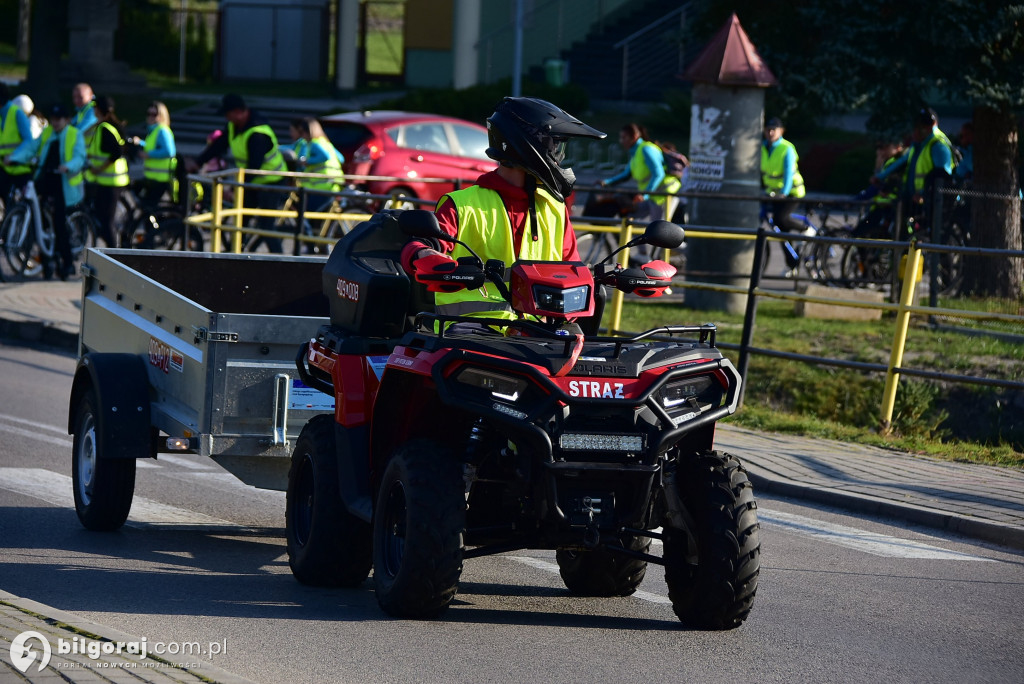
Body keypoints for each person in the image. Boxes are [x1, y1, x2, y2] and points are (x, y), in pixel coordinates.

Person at [401, 96, 605, 324]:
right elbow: (419, 246)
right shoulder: (461, 204)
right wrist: (426, 255)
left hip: (540, 336)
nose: (560, 158)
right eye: (557, 147)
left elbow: (574, 270)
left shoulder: (555, 208)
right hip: (471, 336)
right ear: (529, 146)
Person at [188, 93, 288, 252]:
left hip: (271, 182)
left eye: (228, 114)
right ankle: (237, 254)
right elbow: (217, 146)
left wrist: (234, 189)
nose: (227, 118)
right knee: (241, 221)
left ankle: (281, 261)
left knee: (266, 226)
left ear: (239, 112)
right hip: (251, 181)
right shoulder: (234, 127)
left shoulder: (258, 133)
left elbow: (253, 166)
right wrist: (198, 162)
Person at [9, 103, 88, 280]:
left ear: (67, 120)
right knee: (39, 219)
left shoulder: (74, 135)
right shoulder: (47, 133)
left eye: (59, 119)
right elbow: (31, 148)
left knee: (59, 223)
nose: (56, 123)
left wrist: (68, 166)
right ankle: (47, 261)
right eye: (53, 119)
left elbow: (79, 157)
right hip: (45, 180)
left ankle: (67, 264)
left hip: (64, 184)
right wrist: (14, 158)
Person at [871, 107, 954, 232]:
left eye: (920, 127)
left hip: (929, 202)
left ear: (931, 126)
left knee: (922, 235)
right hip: (913, 198)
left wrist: (924, 194)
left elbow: (942, 175)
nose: (915, 131)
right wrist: (880, 177)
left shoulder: (938, 144)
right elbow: (901, 162)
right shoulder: (919, 144)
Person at [599, 122, 681, 226]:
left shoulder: (646, 149)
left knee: (659, 232)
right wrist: (605, 183)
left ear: (634, 136)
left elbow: (658, 174)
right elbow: (626, 174)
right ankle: (636, 242)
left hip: (664, 194)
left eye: (624, 137)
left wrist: (645, 194)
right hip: (652, 195)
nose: (621, 141)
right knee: (629, 222)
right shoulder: (636, 152)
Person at [760, 116, 807, 274]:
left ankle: (806, 229)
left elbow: (788, 173)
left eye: (774, 129)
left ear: (781, 131)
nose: (770, 132)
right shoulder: (763, 147)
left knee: (781, 218)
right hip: (773, 193)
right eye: (768, 129)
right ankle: (792, 264)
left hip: (792, 192)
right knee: (781, 231)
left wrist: (784, 193)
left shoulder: (787, 148)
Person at [86, 96, 130, 247]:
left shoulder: (105, 128)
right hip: (108, 182)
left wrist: (99, 169)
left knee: (106, 222)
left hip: (111, 182)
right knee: (102, 219)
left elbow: (116, 153)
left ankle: (114, 256)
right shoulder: (108, 125)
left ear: (98, 109)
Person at [130, 100, 176, 209]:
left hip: (160, 179)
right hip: (152, 178)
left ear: (161, 116)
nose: (151, 117)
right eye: (148, 114)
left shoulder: (162, 131)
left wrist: (148, 154)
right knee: (147, 208)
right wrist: (141, 142)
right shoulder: (154, 131)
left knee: (149, 209)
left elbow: (169, 151)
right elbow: (154, 146)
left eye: (154, 114)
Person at [0, 83, 37, 205]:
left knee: (26, 205)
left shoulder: (17, 113)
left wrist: (13, 156)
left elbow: (28, 141)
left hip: (21, 168)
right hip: (4, 167)